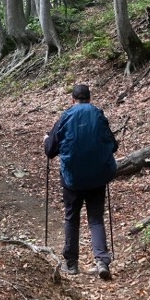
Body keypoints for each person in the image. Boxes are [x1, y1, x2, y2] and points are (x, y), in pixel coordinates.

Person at [44, 84, 118, 280]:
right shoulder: (98, 114)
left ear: (72, 99)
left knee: (71, 217)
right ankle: (102, 260)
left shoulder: (66, 116)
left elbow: (50, 150)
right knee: (95, 219)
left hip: (72, 179)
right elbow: (113, 145)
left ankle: (72, 264)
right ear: (89, 98)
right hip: (97, 177)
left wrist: (46, 139)